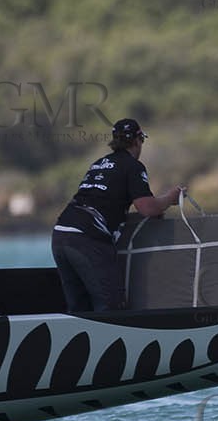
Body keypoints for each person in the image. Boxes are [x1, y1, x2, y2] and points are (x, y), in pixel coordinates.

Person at [52, 117, 185, 313]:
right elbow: (147, 207)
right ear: (138, 140)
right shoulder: (132, 166)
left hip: (61, 234)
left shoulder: (99, 163)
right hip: (86, 238)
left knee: (79, 307)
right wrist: (170, 198)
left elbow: (105, 200)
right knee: (112, 307)